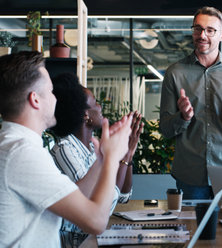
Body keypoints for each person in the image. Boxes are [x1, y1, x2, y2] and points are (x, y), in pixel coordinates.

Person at [0, 51, 132, 247]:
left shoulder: (17, 146)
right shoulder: (22, 153)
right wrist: (113, 158)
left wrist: (102, 158)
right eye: (51, 92)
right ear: (35, 100)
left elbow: (73, 194)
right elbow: (95, 221)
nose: (56, 99)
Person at [160, 6, 222, 199]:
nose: (202, 35)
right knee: (192, 230)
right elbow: (166, 129)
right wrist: (184, 117)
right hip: (190, 176)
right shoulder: (175, 73)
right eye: (198, 29)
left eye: (210, 30)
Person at [49, 73, 143, 247]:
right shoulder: (65, 150)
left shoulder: (93, 148)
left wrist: (127, 154)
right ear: (86, 115)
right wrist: (115, 157)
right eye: (95, 103)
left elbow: (123, 196)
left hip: (94, 237)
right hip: (77, 242)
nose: (100, 107)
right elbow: (101, 206)